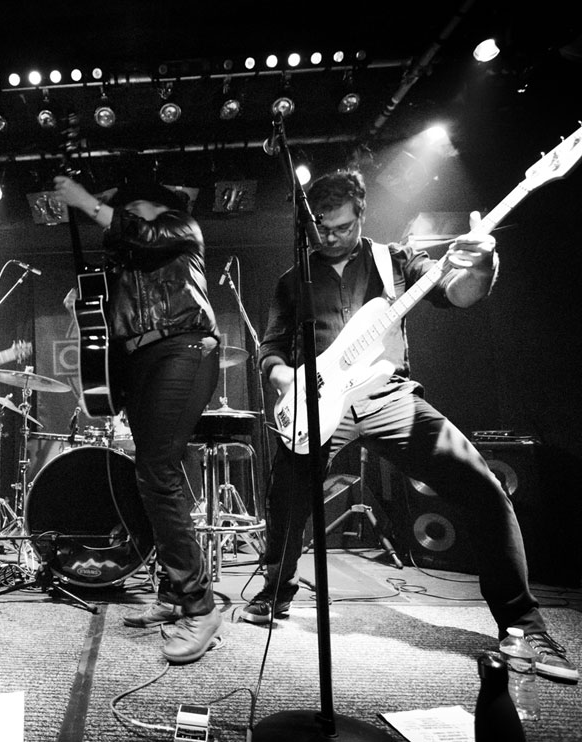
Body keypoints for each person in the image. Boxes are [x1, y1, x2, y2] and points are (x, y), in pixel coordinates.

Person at [241, 169, 577, 683]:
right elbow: (271, 348)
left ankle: (523, 628)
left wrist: (482, 261)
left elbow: (461, 293)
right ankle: (276, 591)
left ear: (361, 216)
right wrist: (286, 378)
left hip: (388, 397)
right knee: (284, 496)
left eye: (341, 227)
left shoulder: (396, 261)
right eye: (320, 228)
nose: (330, 237)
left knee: (484, 489)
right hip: (321, 404)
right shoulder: (294, 280)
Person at [53, 175, 222, 664]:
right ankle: (173, 594)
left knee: (157, 472)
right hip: (140, 361)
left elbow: (139, 235)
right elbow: (107, 317)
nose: (127, 216)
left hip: (183, 347)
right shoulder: (124, 260)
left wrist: (88, 203)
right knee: (154, 476)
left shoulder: (179, 226)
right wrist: (85, 305)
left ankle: (200, 607)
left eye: (133, 208)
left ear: (154, 206)